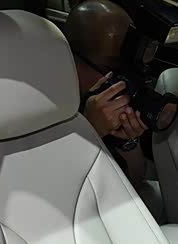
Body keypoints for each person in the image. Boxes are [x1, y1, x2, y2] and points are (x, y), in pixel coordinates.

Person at [63, 0, 149, 187]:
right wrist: (89, 130)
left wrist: (127, 141)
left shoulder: (107, 102)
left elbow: (136, 181)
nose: (118, 80)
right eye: (110, 68)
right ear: (72, 59)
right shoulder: (47, 107)